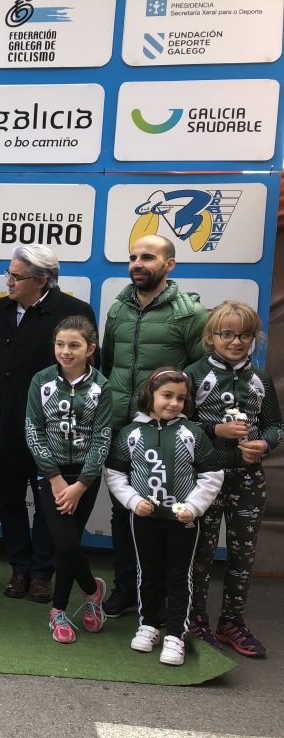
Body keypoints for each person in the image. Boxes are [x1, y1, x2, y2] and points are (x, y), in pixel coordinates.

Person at [0, 245, 95, 602]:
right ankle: (19, 568)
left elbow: (89, 374)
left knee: (49, 506)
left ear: (42, 280)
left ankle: (42, 573)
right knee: (9, 501)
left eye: (16, 276)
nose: (8, 282)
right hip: (2, 426)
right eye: (8, 274)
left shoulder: (74, 312)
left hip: (51, 431)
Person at [101, 234, 207, 617]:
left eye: (148, 257)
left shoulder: (190, 314)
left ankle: (160, 598)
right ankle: (127, 590)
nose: (137, 264)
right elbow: (108, 365)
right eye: (133, 257)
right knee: (123, 513)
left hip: (166, 435)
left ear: (169, 264)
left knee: (165, 514)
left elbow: (200, 375)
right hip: (122, 429)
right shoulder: (118, 308)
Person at [106, 368, 223, 666]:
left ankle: (175, 635)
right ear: (150, 395)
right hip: (144, 519)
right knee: (147, 572)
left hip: (182, 522)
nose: (174, 403)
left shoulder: (192, 433)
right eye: (167, 395)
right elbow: (115, 473)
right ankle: (148, 625)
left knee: (179, 575)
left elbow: (212, 475)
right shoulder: (131, 433)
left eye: (180, 398)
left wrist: (193, 507)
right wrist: (133, 502)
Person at [185, 301, 283, 657]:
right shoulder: (193, 375)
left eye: (244, 335)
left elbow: (276, 425)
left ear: (254, 337)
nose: (236, 342)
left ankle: (232, 622)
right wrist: (216, 430)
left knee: (243, 552)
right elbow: (178, 424)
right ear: (211, 337)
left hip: (248, 478)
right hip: (206, 477)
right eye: (227, 334)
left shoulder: (261, 379)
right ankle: (196, 619)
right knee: (201, 551)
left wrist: (265, 444)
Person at [24, 315, 112, 644]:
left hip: (85, 478)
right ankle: (91, 590)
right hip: (51, 475)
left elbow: (102, 438)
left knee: (68, 547)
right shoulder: (41, 381)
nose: (65, 351)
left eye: (74, 345)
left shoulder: (102, 386)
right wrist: (56, 478)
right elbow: (33, 430)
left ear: (90, 349)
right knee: (65, 544)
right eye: (60, 344)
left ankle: (58, 610)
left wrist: (81, 484)